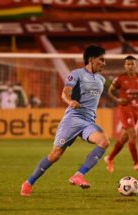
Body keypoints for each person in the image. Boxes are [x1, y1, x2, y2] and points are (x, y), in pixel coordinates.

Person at [20, 45, 109, 196]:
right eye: (101, 59)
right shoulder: (77, 74)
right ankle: (28, 183)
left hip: (88, 121)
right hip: (73, 119)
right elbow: (65, 93)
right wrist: (70, 102)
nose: (104, 63)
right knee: (55, 155)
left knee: (104, 141)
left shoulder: (101, 79)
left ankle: (79, 175)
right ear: (91, 59)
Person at [104, 55, 138, 173]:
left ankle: (109, 158)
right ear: (125, 66)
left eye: (132, 64)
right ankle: (136, 163)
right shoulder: (120, 79)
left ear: (135, 65)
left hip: (135, 110)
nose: (130, 66)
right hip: (124, 109)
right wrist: (117, 100)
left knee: (124, 138)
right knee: (132, 134)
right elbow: (110, 91)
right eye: (128, 64)